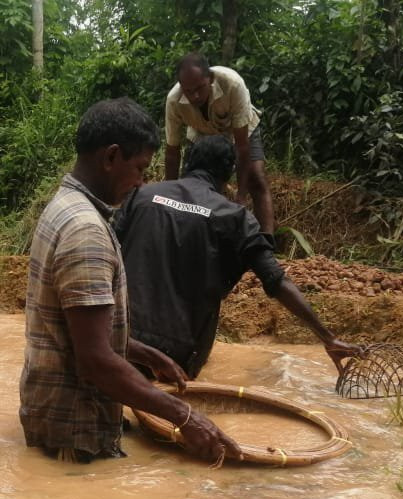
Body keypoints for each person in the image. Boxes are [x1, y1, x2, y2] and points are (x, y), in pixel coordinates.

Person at [19, 98, 242, 465]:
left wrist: (144, 353)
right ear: (111, 157)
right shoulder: (85, 231)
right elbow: (95, 361)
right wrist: (185, 416)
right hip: (78, 430)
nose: (141, 181)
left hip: (52, 412)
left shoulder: (64, 206)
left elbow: (75, 329)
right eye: (139, 168)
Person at [116, 134, 359, 379]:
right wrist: (328, 338)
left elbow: (109, 252)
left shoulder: (142, 196)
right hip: (178, 353)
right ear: (229, 173)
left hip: (120, 338)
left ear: (186, 163)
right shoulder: (235, 218)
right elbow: (277, 281)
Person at [164, 52, 275, 234]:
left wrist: (241, 195)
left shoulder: (232, 84)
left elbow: (242, 146)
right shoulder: (173, 100)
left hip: (241, 130)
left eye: (200, 88)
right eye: (189, 91)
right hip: (201, 135)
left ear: (211, 78)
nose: (195, 96)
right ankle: (198, 237)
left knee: (256, 178)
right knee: (194, 184)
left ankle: (267, 243)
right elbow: (172, 151)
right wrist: (170, 195)